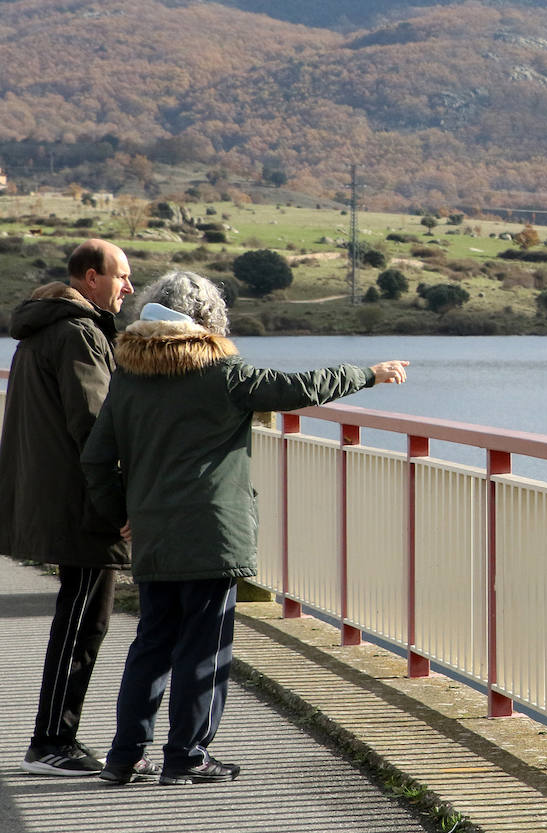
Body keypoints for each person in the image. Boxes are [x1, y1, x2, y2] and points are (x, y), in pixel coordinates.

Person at [81, 270, 408, 785]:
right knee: (203, 647)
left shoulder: (129, 376)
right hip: (211, 532)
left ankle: (124, 756)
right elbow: (298, 388)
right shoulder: (223, 372)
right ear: (208, 319)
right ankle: (187, 756)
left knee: (152, 643)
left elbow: (96, 459)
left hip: (154, 534)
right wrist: (369, 373)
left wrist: (122, 511)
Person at [0, 239, 134, 776]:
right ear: (89, 276)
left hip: (58, 496)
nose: (127, 286)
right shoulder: (78, 332)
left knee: (82, 619)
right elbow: (96, 427)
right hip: (80, 503)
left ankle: (57, 736)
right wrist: (123, 502)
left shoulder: (45, 330)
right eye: (120, 276)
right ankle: (51, 742)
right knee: (81, 622)